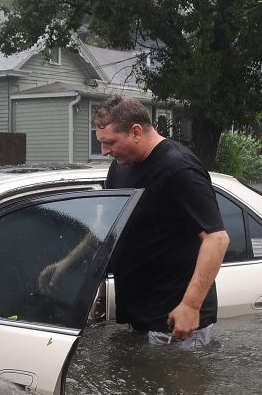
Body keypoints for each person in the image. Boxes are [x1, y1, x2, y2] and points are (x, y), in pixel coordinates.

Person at [43, 96, 229, 349]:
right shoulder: (120, 166)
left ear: (136, 132)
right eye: (101, 143)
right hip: (138, 314)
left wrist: (191, 305)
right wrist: (67, 263)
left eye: (110, 143)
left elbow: (216, 238)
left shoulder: (179, 168)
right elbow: (106, 225)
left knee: (181, 387)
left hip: (174, 318)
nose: (105, 151)